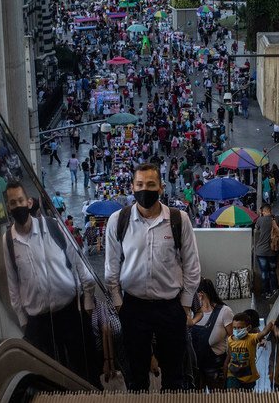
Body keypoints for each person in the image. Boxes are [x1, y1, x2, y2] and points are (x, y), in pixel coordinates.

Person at [104, 163, 201, 391]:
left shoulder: (179, 220)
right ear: (132, 187)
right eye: (139, 184)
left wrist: (185, 306)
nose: (144, 189)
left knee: (174, 375)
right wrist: (120, 305)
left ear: (161, 188)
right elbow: (111, 270)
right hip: (134, 308)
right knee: (137, 376)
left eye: (150, 184)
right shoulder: (119, 221)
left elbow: (192, 267)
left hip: (171, 307)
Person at [2, 181, 98, 384]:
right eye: (13, 203)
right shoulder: (8, 241)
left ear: (29, 202)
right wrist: (23, 319)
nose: (18, 205)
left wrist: (88, 297)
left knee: (83, 366)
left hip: (69, 312)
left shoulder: (53, 226)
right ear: (8, 208)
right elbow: (12, 282)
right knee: (48, 374)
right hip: (38, 320)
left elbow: (78, 262)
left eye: (20, 200)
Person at [192, 278, 233, 390]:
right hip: (196, 368)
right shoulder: (192, 313)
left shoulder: (224, 311)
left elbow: (233, 341)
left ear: (200, 295)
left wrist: (227, 364)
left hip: (216, 368)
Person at [225, 313, 274, 390]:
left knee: (247, 398)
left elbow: (264, 332)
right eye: (234, 328)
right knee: (232, 396)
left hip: (248, 376)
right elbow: (230, 356)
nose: (237, 330)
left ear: (248, 328)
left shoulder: (252, 339)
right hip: (233, 374)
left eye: (240, 328)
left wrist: (271, 323)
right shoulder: (230, 339)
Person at [254, 204, 279, 298]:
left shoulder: (260, 220)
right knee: (273, 271)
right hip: (272, 251)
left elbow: (256, 229)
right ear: (270, 210)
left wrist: (261, 218)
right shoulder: (275, 220)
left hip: (261, 251)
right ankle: (275, 290)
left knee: (264, 273)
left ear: (264, 211)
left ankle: (266, 292)